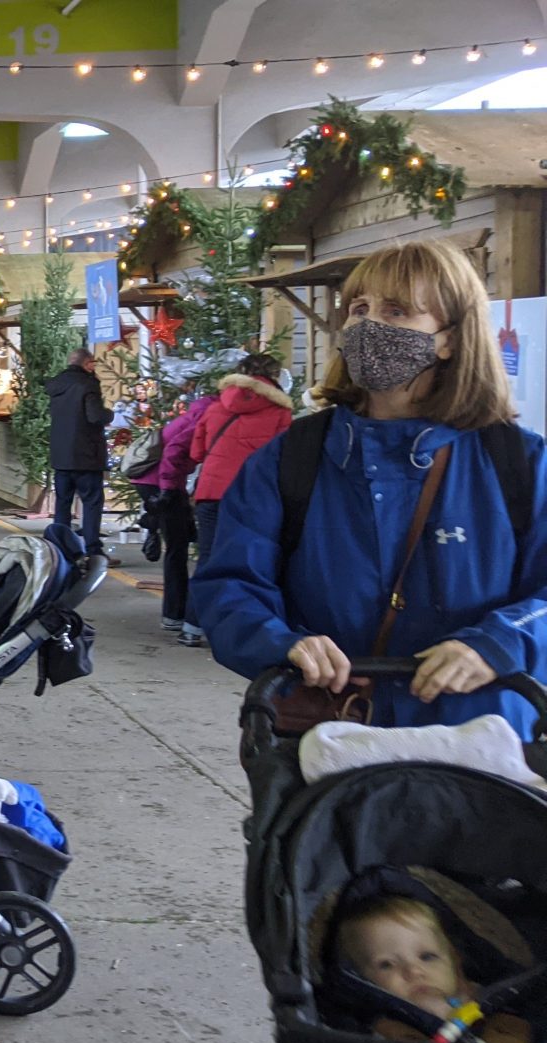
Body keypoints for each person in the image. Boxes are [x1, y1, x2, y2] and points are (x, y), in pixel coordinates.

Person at [194, 239, 547, 735]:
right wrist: (281, 643)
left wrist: (500, 643)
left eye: (397, 310)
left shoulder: (518, 463)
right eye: (359, 309)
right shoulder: (291, 459)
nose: (368, 325)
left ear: (449, 338)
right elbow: (227, 584)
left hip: (480, 747)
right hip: (329, 743)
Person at [335, 896, 538, 1043]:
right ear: (362, 981)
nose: (413, 971)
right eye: (387, 964)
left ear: (455, 964)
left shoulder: (498, 1004)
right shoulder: (377, 1029)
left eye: (427, 957)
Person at [177, 353, 292, 647]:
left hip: (210, 492)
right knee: (247, 561)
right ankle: (232, 631)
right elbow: (284, 460)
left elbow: (196, 452)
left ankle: (191, 625)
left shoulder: (215, 408)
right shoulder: (279, 412)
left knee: (207, 557)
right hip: (250, 495)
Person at [153, 394, 215, 636]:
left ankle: (177, 612)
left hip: (166, 480)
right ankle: (174, 614)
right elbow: (174, 451)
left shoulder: (204, 410)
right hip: (162, 480)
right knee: (177, 547)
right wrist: (168, 491)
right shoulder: (209, 414)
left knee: (178, 543)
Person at [46, 347, 110, 557]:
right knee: (92, 502)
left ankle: (60, 548)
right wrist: (109, 414)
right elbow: (94, 416)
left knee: (63, 503)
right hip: (86, 455)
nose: (94, 368)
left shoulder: (57, 385)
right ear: (86, 364)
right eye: (93, 364)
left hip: (61, 455)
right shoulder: (87, 385)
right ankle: (92, 549)